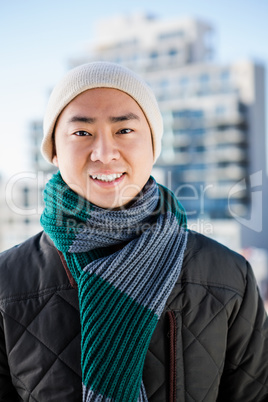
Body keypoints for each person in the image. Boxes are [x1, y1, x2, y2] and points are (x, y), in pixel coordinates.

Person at [0, 62, 267, 402]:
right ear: (53, 150)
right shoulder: (6, 281)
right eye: (82, 133)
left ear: (153, 146)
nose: (104, 153)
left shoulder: (228, 275)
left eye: (124, 131)